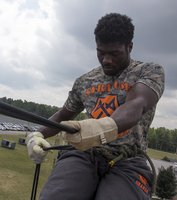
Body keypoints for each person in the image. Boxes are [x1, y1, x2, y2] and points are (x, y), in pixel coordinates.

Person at [26, 13, 165, 200]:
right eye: (101, 52)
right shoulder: (84, 81)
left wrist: (101, 128)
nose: (106, 60)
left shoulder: (149, 71)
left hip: (129, 160)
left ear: (129, 47)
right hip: (84, 153)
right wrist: (37, 135)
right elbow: (62, 116)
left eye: (114, 53)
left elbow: (137, 104)